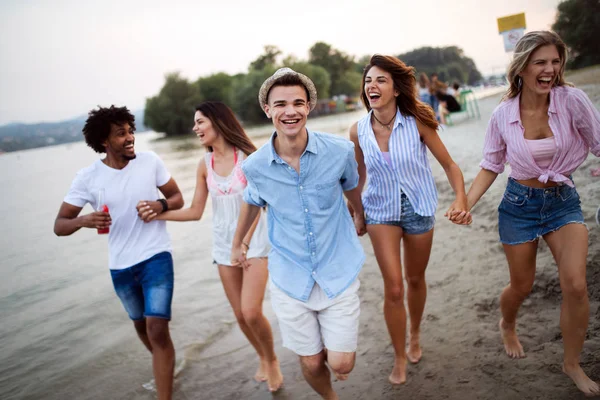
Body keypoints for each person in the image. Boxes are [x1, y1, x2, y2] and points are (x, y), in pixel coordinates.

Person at [451, 31, 600, 396]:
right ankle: (508, 323)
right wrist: (464, 203)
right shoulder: (503, 113)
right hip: (519, 206)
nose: (550, 70)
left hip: (563, 201)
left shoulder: (572, 100)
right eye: (541, 62)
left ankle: (571, 364)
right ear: (522, 68)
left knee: (576, 286)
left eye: (555, 62)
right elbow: (490, 165)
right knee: (521, 286)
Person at [231, 67, 367, 400]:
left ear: (309, 107)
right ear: (268, 110)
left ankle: (336, 359)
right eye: (280, 104)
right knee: (311, 362)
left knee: (342, 363)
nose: (289, 111)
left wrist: (359, 213)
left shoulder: (339, 151)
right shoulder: (255, 166)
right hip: (290, 276)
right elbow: (250, 203)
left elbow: (351, 186)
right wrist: (239, 243)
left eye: (297, 103)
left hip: (338, 267)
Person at [137, 101, 283, 392]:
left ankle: (273, 360)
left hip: (254, 243)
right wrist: (157, 213)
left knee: (251, 311)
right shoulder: (205, 165)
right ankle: (262, 357)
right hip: (222, 247)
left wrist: (241, 244)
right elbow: (194, 210)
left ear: (217, 122)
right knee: (240, 316)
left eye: (200, 122)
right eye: (195, 123)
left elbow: (261, 204)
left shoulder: (249, 158)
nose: (195, 128)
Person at [349, 54, 470, 385]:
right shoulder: (357, 131)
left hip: (418, 207)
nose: (372, 86)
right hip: (380, 212)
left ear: (397, 89)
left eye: (381, 80)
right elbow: (357, 177)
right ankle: (399, 355)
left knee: (415, 279)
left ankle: (414, 333)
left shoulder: (417, 121)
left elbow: (450, 165)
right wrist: (358, 212)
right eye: (368, 81)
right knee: (393, 286)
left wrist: (461, 198)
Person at [53, 105, 184, 400]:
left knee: (157, 328)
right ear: (103, 141)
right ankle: (166, 363)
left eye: (131, 131)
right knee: (142, 327)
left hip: (156, 256)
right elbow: (59, 225)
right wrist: (84, 220)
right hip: (121, 268)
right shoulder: (87, 178)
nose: (129, 138)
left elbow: (176, 197)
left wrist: (160, 205)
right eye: (121, 133)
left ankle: (165, 392)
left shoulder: (150, 162)